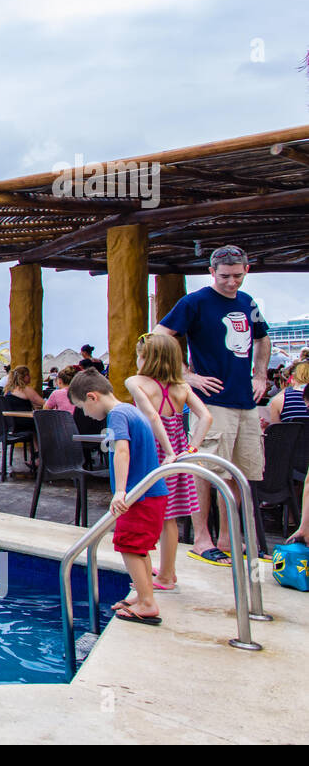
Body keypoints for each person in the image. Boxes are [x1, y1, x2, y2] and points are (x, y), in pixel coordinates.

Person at [152, 244, 270, 566]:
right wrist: (185, 376)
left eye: (237, 276)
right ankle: (202, 539)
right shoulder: (195, 302)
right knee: (205, 471)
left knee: (237, 471)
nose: (231, 282)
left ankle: (228, 537)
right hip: (211, 402)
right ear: (211, 273)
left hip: (244, 401)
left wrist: (260, 375)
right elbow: (159, 335)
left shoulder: (248, 303)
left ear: (246, 270)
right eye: (225, 276)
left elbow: (262, 337)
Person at [69, 369, 171, 625]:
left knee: (129, 545)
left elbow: (122, 451)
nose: (84, 414)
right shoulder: (130, 410)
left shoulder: (116, 416)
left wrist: (121, 492)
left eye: (82, 407)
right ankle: (142, 594)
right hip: (153, 494)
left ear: (92, 397)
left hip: (139, 496)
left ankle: (148, 602)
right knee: (140, 548)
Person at [125, 333, 213, 591]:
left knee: (146, 511)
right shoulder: (182, 387)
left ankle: (159, 573)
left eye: (138, 355)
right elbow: (205, 417)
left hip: (152, 452)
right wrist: (189, 448)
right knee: (169, 516)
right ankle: (167, 572)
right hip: (176, 450)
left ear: (146, 357)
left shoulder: (135, 382)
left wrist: (167, 452)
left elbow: (151, 416)